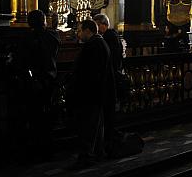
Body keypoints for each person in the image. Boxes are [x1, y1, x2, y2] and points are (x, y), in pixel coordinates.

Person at [12, 9, 60, 161]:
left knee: (33, 118)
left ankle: (35, 152)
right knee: (48, 118)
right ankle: (49, 151)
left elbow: (21, 61)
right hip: (50, 80)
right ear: (44, 21)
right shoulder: (53, 36)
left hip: (33, 83)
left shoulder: (26, 39)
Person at [67, 19, 115, 169]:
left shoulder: (94, 45)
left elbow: (91, 73)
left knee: (88, 127)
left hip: (90, 94)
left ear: (88, 31)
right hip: (96, 94)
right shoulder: (98, 43)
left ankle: (87, 157)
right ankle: (97, 153)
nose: (78, 34)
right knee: (96, 126)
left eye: (79, 31)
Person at [92, 14, 124, 148]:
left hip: (110, 78)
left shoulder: (108, 37)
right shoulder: (110, 36)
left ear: (103, 25)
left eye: (97, 25)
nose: (96, 28)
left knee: (109, 111)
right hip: (111, 77)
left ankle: (109, 139)